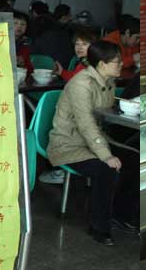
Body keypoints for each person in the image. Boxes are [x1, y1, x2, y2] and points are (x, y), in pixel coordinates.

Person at [46, 38, 137, 245]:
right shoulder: (81, 84)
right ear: (102, 64)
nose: (122, 64)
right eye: (117, 62)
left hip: (94, 141)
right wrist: (106, 155)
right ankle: (99, 227)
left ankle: (120, 214)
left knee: (134, 158)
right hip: (69, 145)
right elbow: (86, 124)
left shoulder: (108, 81)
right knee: (106, 170)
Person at [104, 14, 140, 78]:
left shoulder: (133, 43)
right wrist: (133, 58)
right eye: (137, 37)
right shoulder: (109, 42)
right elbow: (111, 65)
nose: (138, 41)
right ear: (127, 33)